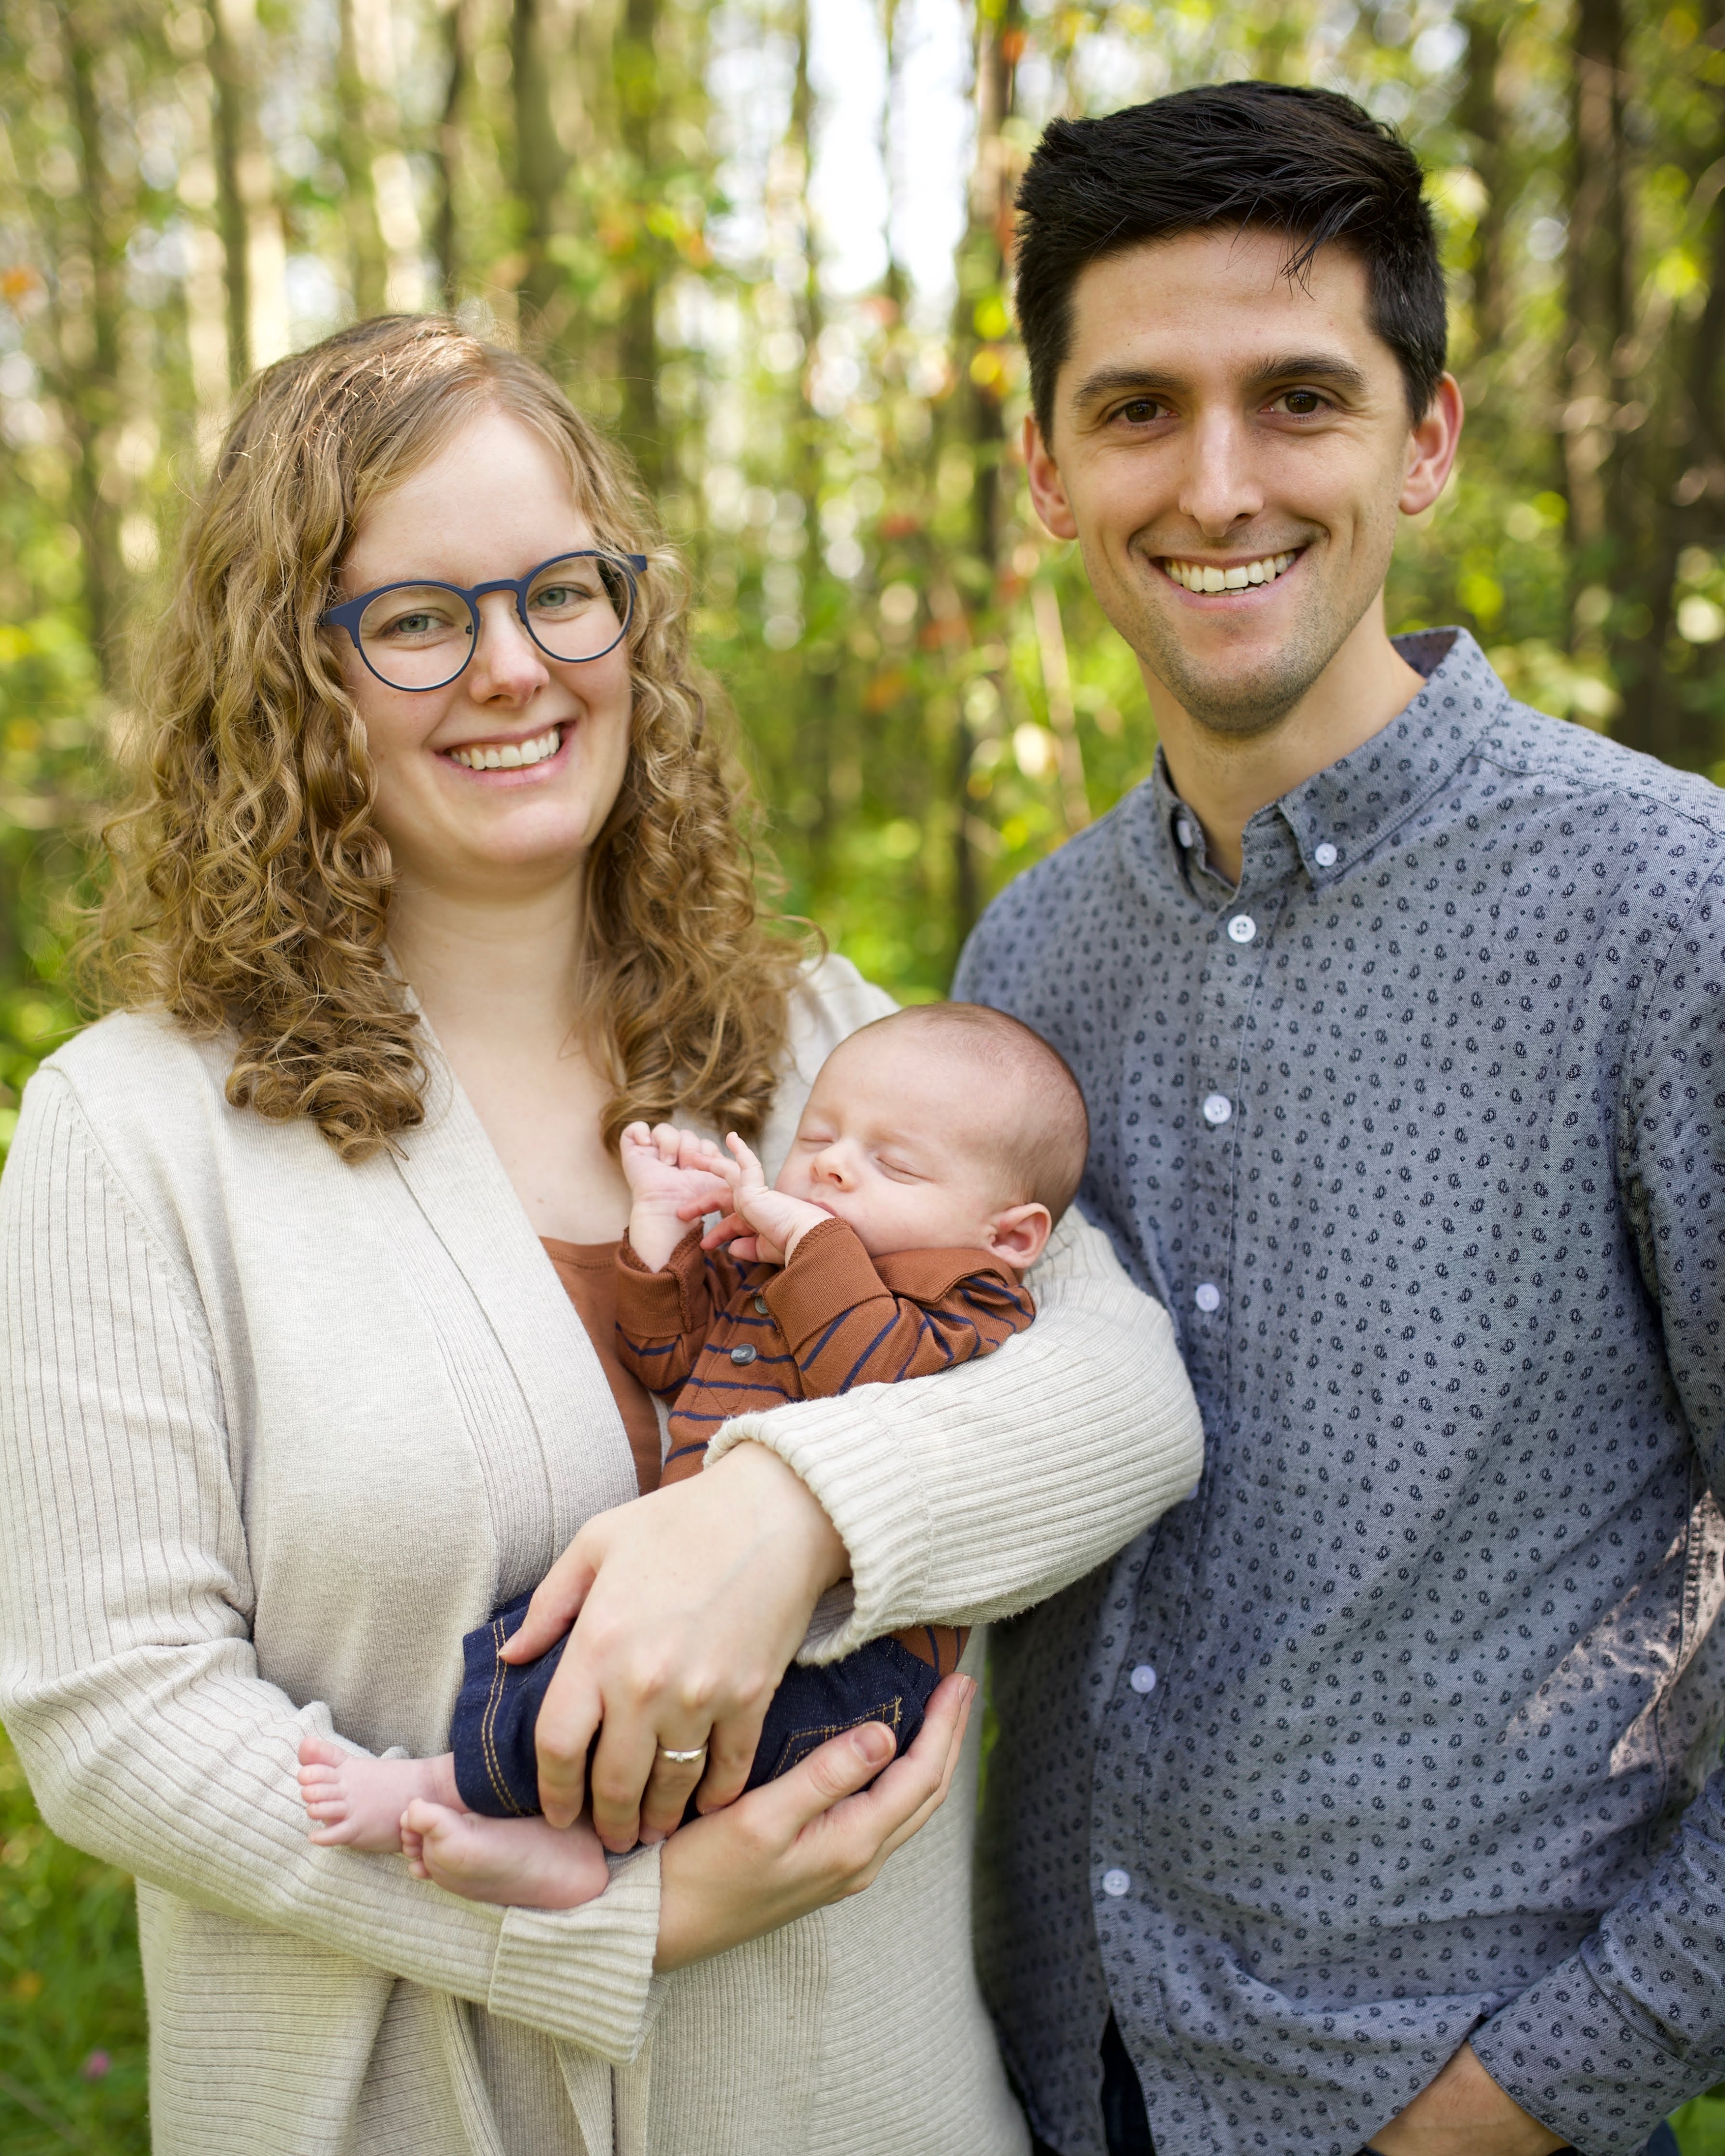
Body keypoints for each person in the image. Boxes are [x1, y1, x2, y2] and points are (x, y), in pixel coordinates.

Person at [0, 313, 1204, 2156]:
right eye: (417, 618)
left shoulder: (820, 1047)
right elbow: (113, 1715)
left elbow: (1122, 1394)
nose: (513, 668)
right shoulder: (135, 1126)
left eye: (562, 593)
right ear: (293, 670)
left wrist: (788, 1517)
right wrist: (596, 1925)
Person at [958, 80, 1725, 2156]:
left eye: (1296, 398)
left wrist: (1517, 2097)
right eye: (1136, 410)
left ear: (1426, 437)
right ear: (1047, 469)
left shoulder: (1668, 909)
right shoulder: (1023, 963)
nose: (1215, 484)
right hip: (1060, 2084)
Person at [297, 1001, 1084, 1910]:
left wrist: (812, 1244)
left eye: (893, 1164)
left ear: (1010, 1235)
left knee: (692, 1714)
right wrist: (661, 1234)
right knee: (545, 1646)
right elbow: (666, 1358)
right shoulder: (771, 1268)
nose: (830, 1165)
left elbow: (869, 1369)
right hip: (694, 1611)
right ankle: (561, 1838)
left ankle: (461, 1795)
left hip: (852, 1663)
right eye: (818, 1137)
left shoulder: (970, 1296)